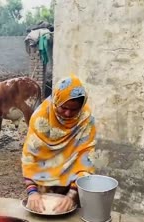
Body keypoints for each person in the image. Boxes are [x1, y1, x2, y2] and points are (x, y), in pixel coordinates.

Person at [22, 74, 96, 213]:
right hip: (42, 183)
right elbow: (30, 157)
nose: (68, 113)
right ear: (56, 101)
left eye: (74, 110)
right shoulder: (40, 119)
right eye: (64, 108)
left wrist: (72, 194)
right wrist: (32, 191)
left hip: (74, 184)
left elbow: (85, 159)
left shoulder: (86, 120)